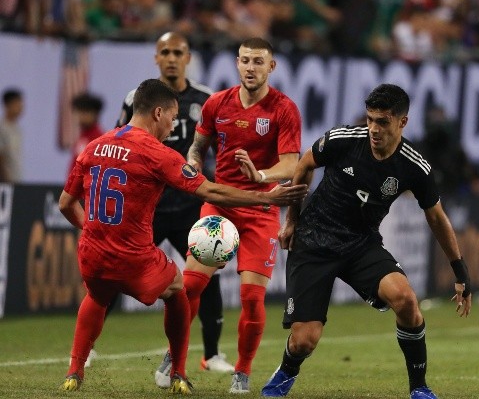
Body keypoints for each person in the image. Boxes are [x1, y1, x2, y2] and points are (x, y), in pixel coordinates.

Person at [58, 78, 308, 394]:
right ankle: (177, 371)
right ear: (159, 113)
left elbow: (65, 203)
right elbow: (212, 189)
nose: (174, 124)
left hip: (92, 254)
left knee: (96, 296)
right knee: (178, 289)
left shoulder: (95, 145)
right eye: (174, 117)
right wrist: (266, 199)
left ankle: (73, 372)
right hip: (133, 257)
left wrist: (93, 231)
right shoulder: (156, 153)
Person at [259, 83, 473, 399]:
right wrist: (292, 219)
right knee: (305, 340)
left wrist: (460, 270)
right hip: (315, 240)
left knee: (406, 299)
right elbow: (304, 164)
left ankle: (420, 388)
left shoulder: (415, 166)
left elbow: (437, 217)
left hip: (361, 244)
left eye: (383, 121)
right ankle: (286, 372)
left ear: (403, 122)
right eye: (370, 119)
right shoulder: (342, 140)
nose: (373, 128)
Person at [152, 37, 303, 394]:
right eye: (245, 61)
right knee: (190, 286)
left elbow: (291, 164)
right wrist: (191, 164)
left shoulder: (283, 109)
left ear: (271, 67)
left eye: (258, 62)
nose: (251, 67)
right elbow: (198, 146)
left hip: (262, 208)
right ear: (237, 63)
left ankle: (243, 370)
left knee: (252, 297)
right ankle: (175, 357)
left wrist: (260, 176)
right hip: (219, 206)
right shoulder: (217, 103)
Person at [116, 32, 236, 380]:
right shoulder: (135, 99)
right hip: (148, 207)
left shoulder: (207, 100)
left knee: (207, 274)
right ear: (156, 58)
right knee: (117, 267)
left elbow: (221, 150)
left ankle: (211, 354)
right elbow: (120, 141)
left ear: (188, 57)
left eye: (177, 52)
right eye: (164, 52)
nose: (171, 58)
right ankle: (89, 346)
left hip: (190, 206)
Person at [69, 92, 104, 177]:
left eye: (84, 112)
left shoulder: (99, 139)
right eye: (77, 112)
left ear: (95, 114)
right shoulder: (82, 136)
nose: (79, 116)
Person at [0, 88, 23, 183]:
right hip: (5, 182)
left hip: (16, 180)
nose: (21, 107)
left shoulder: (17, 129)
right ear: (8, 105)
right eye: (17, 103)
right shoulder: (2, 127)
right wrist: (6, 179)